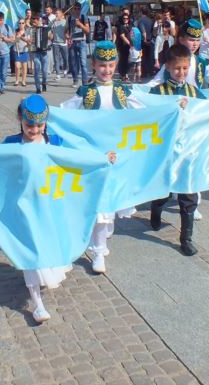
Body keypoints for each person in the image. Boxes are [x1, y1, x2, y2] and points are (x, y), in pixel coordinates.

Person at [0, 94, 93, 324]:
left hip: (49, 206)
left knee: (47, 247)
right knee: (30, 252)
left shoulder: (55, 143)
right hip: (23, 208)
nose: (34, 130)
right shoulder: (11, 144)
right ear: (20, 120)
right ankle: (37, 303)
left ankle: (43, 279)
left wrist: (102, 159)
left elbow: (77, 159)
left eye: (40, 125)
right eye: (29, 124)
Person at [60, 41, 144, 275]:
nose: (106, 70)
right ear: (94, 65)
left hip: (117, 158)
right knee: (101, 207)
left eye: (110, 65)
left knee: (111, 206)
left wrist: (173, 107)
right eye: (102, 65)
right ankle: (98, 251)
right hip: (95, 158)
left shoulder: (122, 91)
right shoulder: (86, 93)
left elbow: (146, 112)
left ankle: (101, 239)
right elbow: (63, 112)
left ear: (115, 65)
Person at [148, 42, 204, 256]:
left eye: (185, 68)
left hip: (188, 152)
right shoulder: (158, 91)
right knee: (164, 190)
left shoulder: (193, 91)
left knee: (188, 195)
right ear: (168, 68)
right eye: (177, 68)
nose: (181, 73)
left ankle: (186, 238)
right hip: (166, 152)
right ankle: (157, 208)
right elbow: (148, 115)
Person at [66, 3, 91, 88]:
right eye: (75, 9)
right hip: (72, 42)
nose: (76, 10)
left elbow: (88, 31)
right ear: (73, 9)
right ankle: (75, 80)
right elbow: (65, 31)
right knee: (73, 63)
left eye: (78, 9)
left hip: (82, 42)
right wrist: (67, 37)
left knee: (83, 63)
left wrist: (80, 24)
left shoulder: (84, 17)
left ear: (80, 9)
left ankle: (85, 82)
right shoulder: (69, 18)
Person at [29, 13, 52, 94]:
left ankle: (44, 83)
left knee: (45, 72)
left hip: (45, 52)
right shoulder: (32, 30)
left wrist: (50, 35)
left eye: (34, 22)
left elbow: (51, 37)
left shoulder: (45, 28)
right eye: (32, 22)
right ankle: (38, 88)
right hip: (36, 52)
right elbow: (30, 41)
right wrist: (30, 42)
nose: (33, 23)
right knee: (37, 70)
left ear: (38, 20)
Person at [114, 9, 134, 80]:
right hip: (122, 45)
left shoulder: (130, 24)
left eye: (126, 18)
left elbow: (133, 33)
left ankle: (126, 74)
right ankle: (122, 74)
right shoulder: (120, 25)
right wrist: (130, 43)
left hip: (129, 46)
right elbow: (122, 36)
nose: (125, 19)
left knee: (128, 60)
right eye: (124, 18)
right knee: (123, 60)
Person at [49, 7, 68, 81]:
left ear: (61, 14)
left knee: (65, 59)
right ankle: (57, 74)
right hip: (55, 43)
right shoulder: (53, 21)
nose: (56, 14)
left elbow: (68, 30)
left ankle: (65, 71)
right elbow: (49, 27)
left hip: (63, 43)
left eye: (57, 13)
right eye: (55, 13)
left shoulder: (65, 22)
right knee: (56, 59)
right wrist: (53, 21)